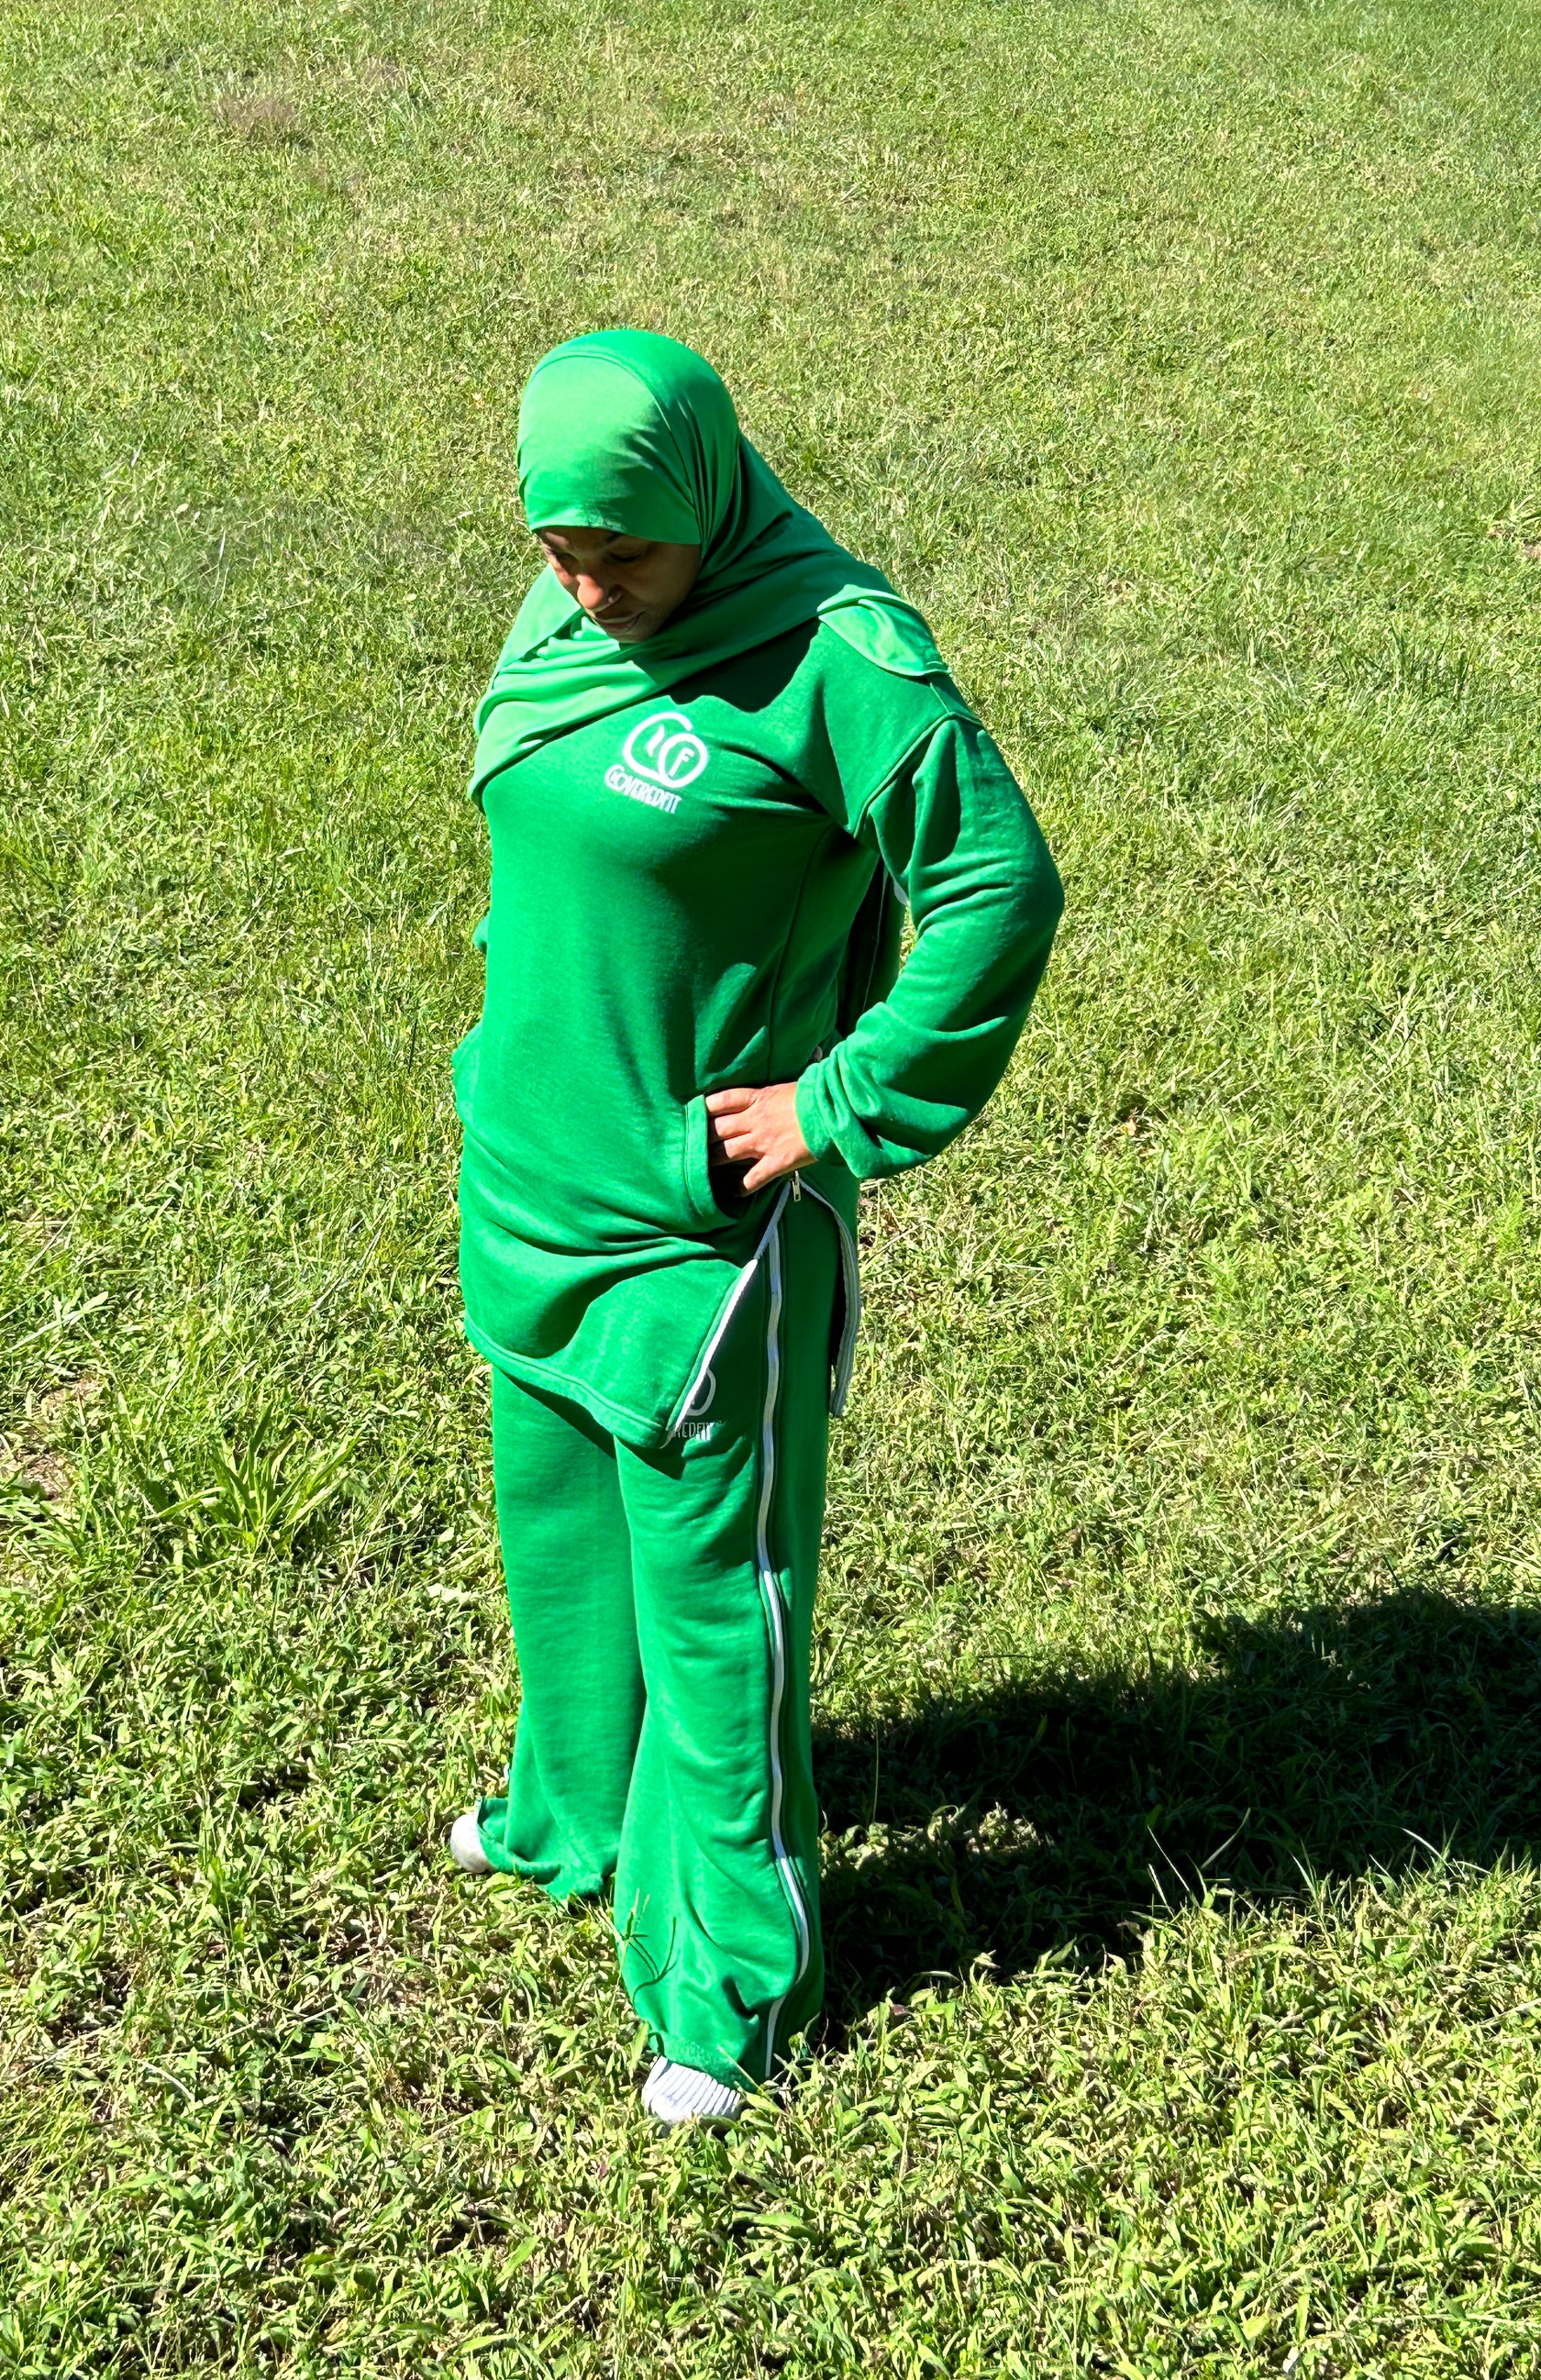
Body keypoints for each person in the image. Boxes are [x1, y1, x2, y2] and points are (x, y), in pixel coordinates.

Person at [447, 328, 1062, 2126]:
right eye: (558, 546)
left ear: (706, 495)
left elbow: (996, 881)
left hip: (695, 1236)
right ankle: (573, 1817)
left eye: (620, 550)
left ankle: (726, 1987)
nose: (586, 586)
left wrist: (833, 1103)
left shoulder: (836, 654)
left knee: (720, 1607)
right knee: (560, 1541)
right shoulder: (579, 606)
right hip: (532, 1179)